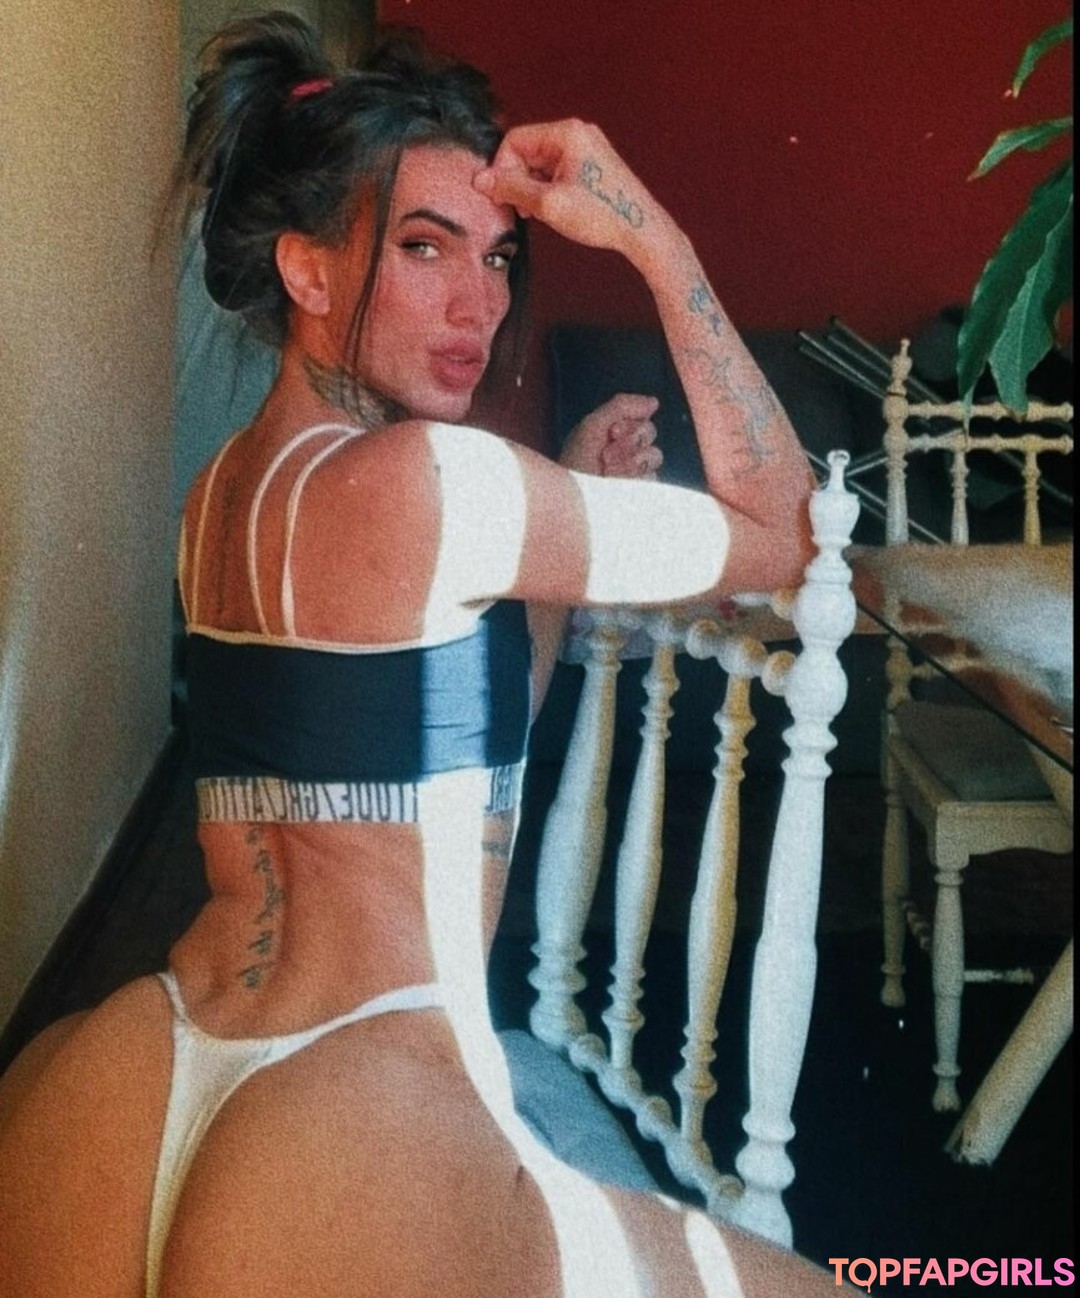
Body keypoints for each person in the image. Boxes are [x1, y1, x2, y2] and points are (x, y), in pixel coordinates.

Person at [0, 14, 853, 1297]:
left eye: (498, 255)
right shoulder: (440, 480)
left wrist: (556, 502)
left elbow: (448, 751)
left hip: (143, 1059)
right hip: (358, 1102)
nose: (482, 302)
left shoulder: (219, 500)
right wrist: (649, 235)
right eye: (423, 247)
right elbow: (791, 529)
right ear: (306, 270)